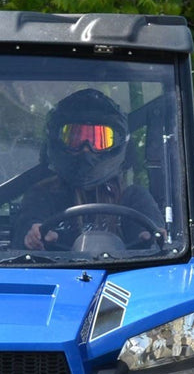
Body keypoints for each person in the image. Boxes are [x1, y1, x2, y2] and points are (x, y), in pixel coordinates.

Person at [21, 88, 165, 251]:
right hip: (56, 268)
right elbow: (28, 227)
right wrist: (33, 236)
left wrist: (152, 238)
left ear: (117, 145)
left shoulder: (133, 197)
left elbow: (154, 237)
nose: (86, 149)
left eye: (99, 140)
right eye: (74, 138)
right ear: (58, 142)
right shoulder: (42, 195)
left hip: (124, 268)